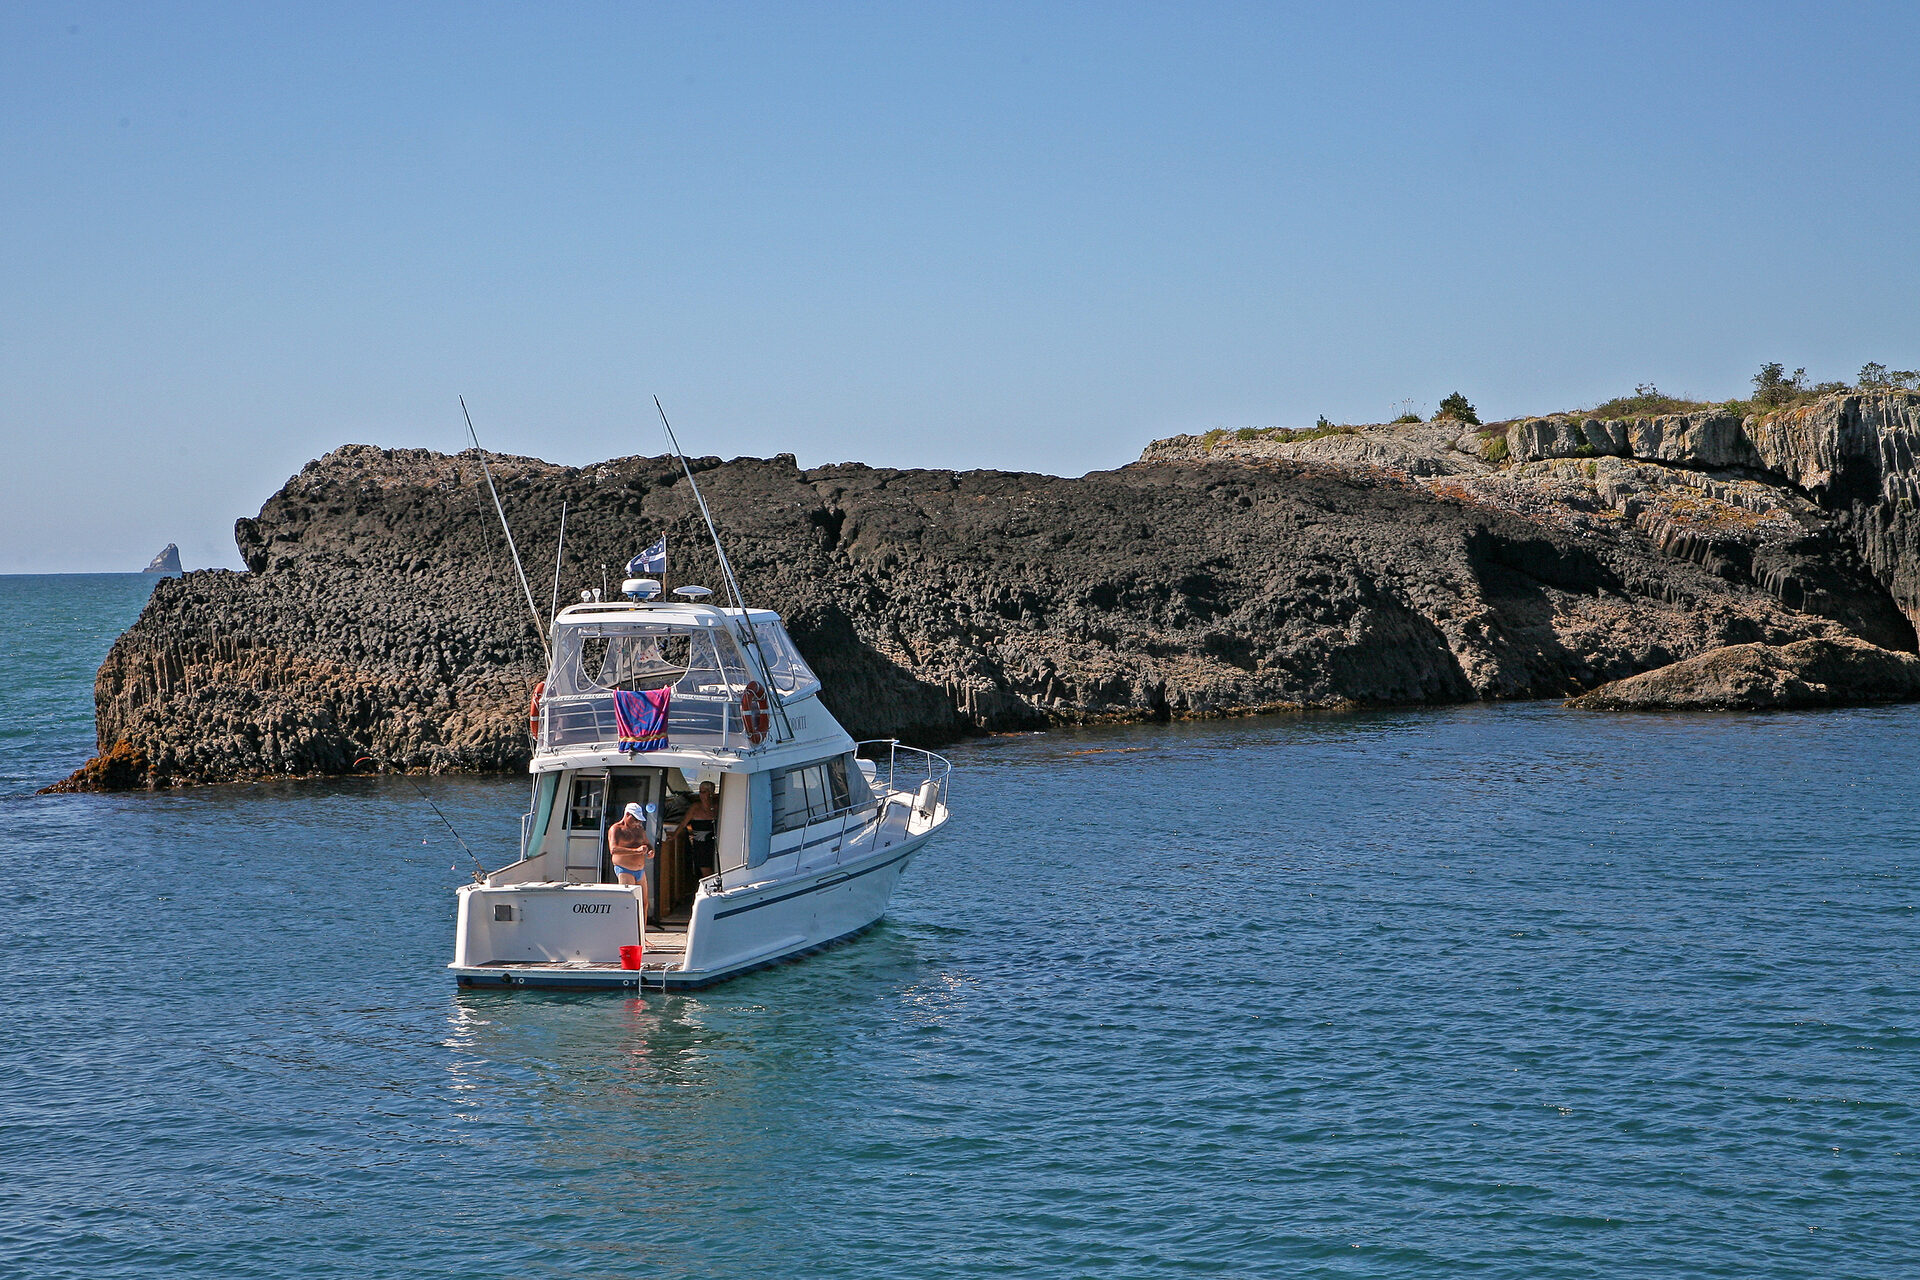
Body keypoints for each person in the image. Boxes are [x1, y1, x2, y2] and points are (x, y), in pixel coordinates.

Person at [669, 780, 720, 878]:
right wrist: (674, 835)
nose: (701, 794)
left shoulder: (717, 807)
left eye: (704, 792)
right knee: (706, 871)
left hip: (714, 844)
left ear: (711, 793)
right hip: (700, 846)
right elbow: (683, 823)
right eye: (700, 791)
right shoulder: (695, 808)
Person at [607, 802, 655, 891]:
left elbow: (647, 844)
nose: (637, 822)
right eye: (636, 819)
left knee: (644, 903)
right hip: (625, 869)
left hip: (640, 870)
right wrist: (636, 851)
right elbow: (613, 850)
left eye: (639, 820)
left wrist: (651, 851)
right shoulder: (616, 829)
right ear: (627, 814)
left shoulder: (639, 829)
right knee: (629, 900)